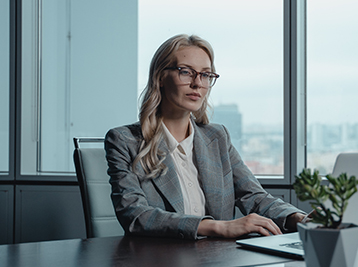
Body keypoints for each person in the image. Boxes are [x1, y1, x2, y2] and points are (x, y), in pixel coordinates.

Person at [105, 34, 306, 239]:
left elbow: (253, 196)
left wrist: (299, 219)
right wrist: (219, 227)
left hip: (218, 262)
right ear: (160, 77)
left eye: (206, 75)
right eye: (186, 72)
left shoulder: (217, 137)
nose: (197, 83)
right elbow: (135, 215)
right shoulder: (124, 141)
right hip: (158, 263)